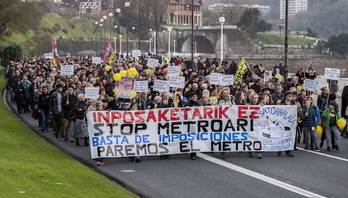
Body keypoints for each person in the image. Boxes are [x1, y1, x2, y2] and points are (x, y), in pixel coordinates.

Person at [185, 92, 202, 160]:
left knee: (195, 139)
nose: (195, 98)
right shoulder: (187, 104)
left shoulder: (198, 104)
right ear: (190, 97)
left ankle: (194, 153)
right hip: (189, 124)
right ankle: (192, 154)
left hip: (196, 124)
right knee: (191, 138)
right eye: (193, 96)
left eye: (196, 96)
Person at [277, 91, 295, 157]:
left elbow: (298, 112)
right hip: (282, 122)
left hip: (290, 123)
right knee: (281, 136)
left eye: (291, 96)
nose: (290, 97)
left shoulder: (293, 104)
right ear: (285, 97)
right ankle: (280, 149)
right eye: (289, 96)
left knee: (288, 136)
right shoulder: (281, 104)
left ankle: (288, 151)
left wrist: (297, 109)